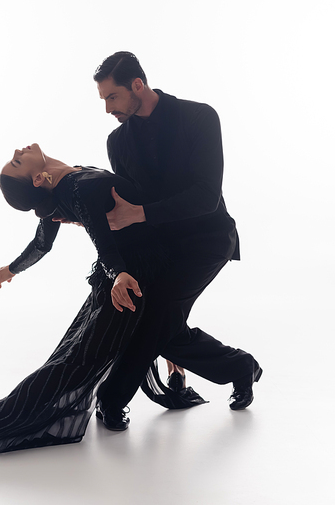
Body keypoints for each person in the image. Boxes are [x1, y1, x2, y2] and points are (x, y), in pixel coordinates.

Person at [0, 143, 204, 464]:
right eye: (17, 161)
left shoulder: (63, 186)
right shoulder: (77, 188)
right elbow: (101, 237)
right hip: (129, 277)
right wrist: (119, 273)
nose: (17, 150)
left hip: (133, 272)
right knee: (77, 360)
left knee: (139, 333)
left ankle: (174, 371)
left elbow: (42, 244)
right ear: (37, 179)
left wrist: (11, 269)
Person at [92, 51, 262, 423]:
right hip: (161, 247)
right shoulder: (117, 142)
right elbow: (127, 196)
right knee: (159, 324)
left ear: (138, 85)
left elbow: (206, 196)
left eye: (112, 97)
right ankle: (240, 367)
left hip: (208, 239)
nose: (107, 108)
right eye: (103, 99)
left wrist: (138, 213)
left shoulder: (199, 117)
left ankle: (112, 399)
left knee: (155, 316)